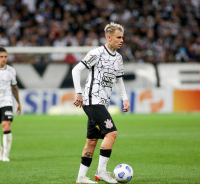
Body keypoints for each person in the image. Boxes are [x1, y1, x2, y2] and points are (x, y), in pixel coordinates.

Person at [72, 22, 130, 184]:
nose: (121, 40)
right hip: (92, 101)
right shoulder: (96, 53)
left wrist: (124, 98)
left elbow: (118, 80)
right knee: (111, 133)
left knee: (91, 141)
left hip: (102, 103)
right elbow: (76, 70)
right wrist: (78, 92)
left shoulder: (118, 58)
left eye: (122, 37)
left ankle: (81, 177)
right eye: (118, 37)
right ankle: (101, 172)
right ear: (109, 37)